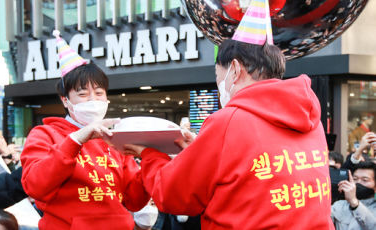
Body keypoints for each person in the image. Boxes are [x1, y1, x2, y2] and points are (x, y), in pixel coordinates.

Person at [123, 1, 334, 229]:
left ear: (234, 69)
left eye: (217, 74)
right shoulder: (310, 116)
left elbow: (172, 195)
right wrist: (199, 150)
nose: (218, 83)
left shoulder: (228, 121)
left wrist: (148, 154)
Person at [20, 31, 150, 230]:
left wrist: (150, 157)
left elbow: (134, 200)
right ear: (65, 100)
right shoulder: (44, 134)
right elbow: (35, 186)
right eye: (82, 93)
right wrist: (75, 141)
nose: (93, 100)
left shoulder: (114, 138)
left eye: (99, 93)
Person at [331, 161, 376, 229]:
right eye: (355, 179)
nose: (358, 183)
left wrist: (354, 202)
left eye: (365, 180)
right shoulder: (340, 205)